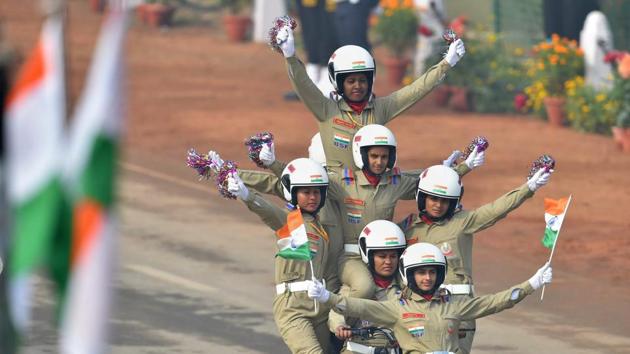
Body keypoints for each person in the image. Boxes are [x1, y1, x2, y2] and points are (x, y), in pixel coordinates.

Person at [235, 124, 484, 301]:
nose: (378, 161)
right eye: (373, 156)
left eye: (383, 157)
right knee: (363, 289)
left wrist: (464, 167)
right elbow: (290, 182)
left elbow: (434, 183)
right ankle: (341, 324)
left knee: (415, 291)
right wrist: (235, 176)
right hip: (346, 257)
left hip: (388, 256)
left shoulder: (396, 181)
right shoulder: (337, 182)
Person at [398, 164, 552, 353]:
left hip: (457, 306)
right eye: (433, 198)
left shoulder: (463, 221)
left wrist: (529, 187)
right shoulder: (408, 228)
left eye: (445, 201)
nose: (438, 205)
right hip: (417, 305)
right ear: (422, 197)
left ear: (453, 202)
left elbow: (496, 209)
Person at [275, 24, 466, 169]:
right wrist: (290, 55)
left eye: (362, 80)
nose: (358, 86)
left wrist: (446, 63)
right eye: (351, 81)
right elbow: (303, 85)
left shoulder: (381, 108)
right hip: (330, 197)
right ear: (339, 83)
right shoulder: (326, 109)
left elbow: (415, 91)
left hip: (369, 195)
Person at [307, 242, 553, 353]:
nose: (427, 278)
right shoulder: (396, 308)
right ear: (408, 275)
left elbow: (496, 302)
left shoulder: (455, 305)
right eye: (421, 272)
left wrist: (532, 283)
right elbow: (354, 305)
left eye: (432, 272)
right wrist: (327, 296)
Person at [224, 157, 338, 353]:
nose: (313, 197)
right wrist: (246, 195)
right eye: (306, 192)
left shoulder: (321, 226)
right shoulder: (290, 221)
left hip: (320, 306)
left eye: (317, 192)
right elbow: (268, 211)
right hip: (293, 308)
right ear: (293, 193)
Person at [328, 220, 406, 354]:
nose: (388, 262)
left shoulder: (404, 288)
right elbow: (337, 310)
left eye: (393, 256)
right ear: (369, 256)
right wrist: (340, 327)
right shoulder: (358, 286)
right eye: (382, 256)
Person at [413, 0, 448, 77]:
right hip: (432, 29)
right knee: (431, 54)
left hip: (428, 28)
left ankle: (420, 77)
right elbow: (441, 16)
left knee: (425, 54)